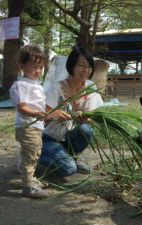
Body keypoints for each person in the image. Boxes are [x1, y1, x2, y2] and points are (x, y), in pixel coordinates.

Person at [39, 46, 103, 177]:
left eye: (89, 66)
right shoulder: (58, 87)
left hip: (68, 139)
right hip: (49, 138)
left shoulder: (90, 88)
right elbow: (43, 114)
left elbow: (90, 118)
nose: (86, 70)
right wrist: (53, 114)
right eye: (81, 65)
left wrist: (83, 117)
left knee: (86, 130)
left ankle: (70, 156)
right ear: (71, 66)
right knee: (68, 169)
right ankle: (33, 154)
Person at [9, 45, 52, 199]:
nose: (38, 71)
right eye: (34, 67)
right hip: (27, 126)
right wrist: (36, 113)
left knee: (35, 153)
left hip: (36, 126)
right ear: (22, 65)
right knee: (30, 156)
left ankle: (30, 178)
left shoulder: (36, 84)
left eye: (41, 67)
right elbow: (22, 107)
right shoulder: (20, 85)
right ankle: (28, 187)